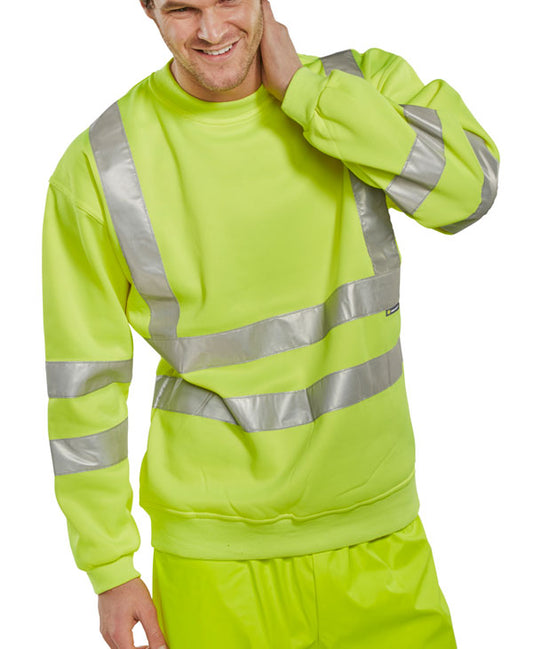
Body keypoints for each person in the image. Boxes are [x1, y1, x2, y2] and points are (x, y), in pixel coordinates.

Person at [42, 0, 499, 647]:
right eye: (182, 8)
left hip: (377, 533)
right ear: (147, 8)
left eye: (228, 0)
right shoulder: (101, 167)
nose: (210, 30)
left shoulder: (357, 88)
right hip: (212, 558)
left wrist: (309, 96)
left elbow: (469, 190)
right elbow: (83, 384)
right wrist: (111, 568)